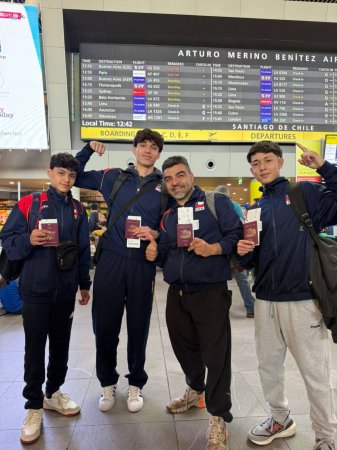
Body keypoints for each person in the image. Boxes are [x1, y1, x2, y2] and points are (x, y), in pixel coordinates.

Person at [237, 141, 337, 450]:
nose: (262, 166)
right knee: (268, 368)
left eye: (268, 160)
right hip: (266, 301)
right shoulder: (254, 208)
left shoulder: (302, 194)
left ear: (280, 162)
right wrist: (242, 254)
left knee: (315, 372)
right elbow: (251, 260)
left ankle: (326, 436)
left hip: (302, 301)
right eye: (256, 163)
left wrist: (323, 167)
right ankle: (280, 419)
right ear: (251, 170)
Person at [145, 156, 242, 450]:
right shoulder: (168, 214)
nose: (175, 182)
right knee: (184, 348)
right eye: (170, 178)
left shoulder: (216, 203)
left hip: (210, 292)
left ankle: (217, 416)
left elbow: (237, 234)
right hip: (177, 293)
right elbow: (165, 250)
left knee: (216, 356)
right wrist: (155, 253)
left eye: (180, 175)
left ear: (191, 175)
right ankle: (195, 390)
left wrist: (214, 248)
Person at [0, 153, 91, 445]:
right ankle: (33, 405)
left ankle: (52, 393)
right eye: (61, 173)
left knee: (61, 346)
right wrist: (29, 239)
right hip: (36, 290)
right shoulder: (30, 204)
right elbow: (8, 241)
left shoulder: (78, 210)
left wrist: (84, 284)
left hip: (64, 291)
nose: (66, 179)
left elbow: (82, 250)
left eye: (72, 175)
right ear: (50, 172)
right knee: (34, 347)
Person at [74, 128, 164, 413]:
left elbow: (171, 224)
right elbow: (74, 174)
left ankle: (136, 383)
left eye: (153, 147)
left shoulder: (165, 186)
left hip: (142, 263)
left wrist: (157, 239)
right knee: (105, 326)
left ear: (158, 153)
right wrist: (88, 149)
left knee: (139, 326)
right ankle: (107, 383)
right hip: (111, 259)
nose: (148, 150)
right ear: (134, 149)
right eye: (143, 145)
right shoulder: (113, 176)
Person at [215, 185, 255, 318]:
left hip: (220, 249)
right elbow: (243, 223)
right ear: (228, 193)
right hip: (236, 249)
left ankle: (221, 307)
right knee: (242, 279)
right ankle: (250, 307)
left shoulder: (213, 205)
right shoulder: (235, 205)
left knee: (220, 280)